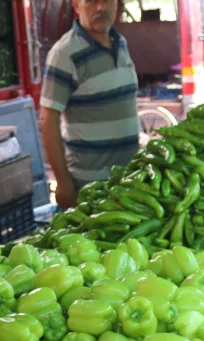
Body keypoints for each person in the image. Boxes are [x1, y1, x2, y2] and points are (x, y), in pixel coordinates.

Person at [39, 0, 139, 209]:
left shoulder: (120, 43)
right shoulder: (64, 54)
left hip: (130, 182)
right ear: (77, 5)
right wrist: (63, 183)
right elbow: (48, 120)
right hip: (90, 188)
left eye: (106, 0)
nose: (100, 8)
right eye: (92, 1)